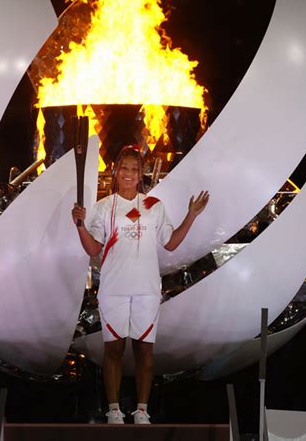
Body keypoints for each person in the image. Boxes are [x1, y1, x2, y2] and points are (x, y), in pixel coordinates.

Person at [72, 145, 209, 424]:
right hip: (114, 288)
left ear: (141, 174)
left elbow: (170, 243)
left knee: (145, 350)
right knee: (114, 350)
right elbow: (92, 248)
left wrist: (191, 215)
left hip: (146, 289)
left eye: (134, 170)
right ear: (115, 171)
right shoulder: (103, 207)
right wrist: (80, 226)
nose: (129, 174)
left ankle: (142, 410)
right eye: (124, 168)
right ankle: (113, 410)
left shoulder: (152, 206)